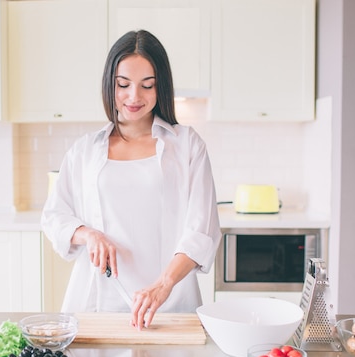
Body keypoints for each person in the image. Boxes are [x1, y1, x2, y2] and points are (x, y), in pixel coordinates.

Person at [41, 30, 221, 330]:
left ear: (160, 86)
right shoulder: (85, 150)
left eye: (147, 85)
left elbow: (201, 231)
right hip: (97, 308)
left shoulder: (187, 146)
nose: (134, 97)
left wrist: (163, 285)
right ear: (109, 83)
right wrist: (88, 234)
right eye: (123, 85)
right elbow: (53, 216)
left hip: (169, 306)